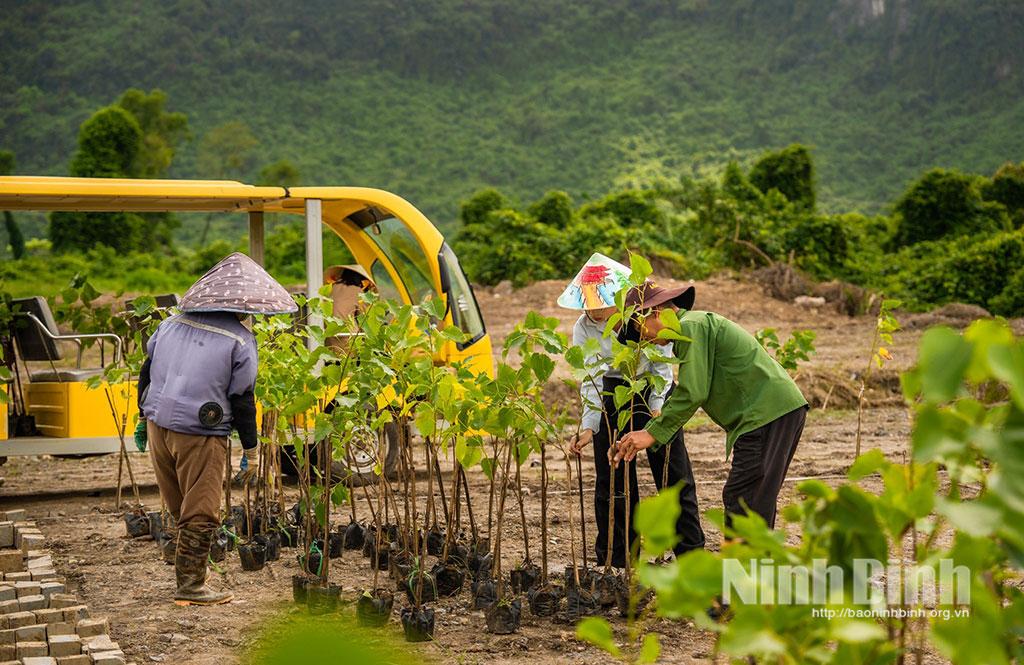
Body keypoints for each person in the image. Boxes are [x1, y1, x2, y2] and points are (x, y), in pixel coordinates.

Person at [136, 252, 297, 605]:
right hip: (200, 432)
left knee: (179, 501)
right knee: (202, 508)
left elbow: (146, 373)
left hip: (157, 425)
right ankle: (191, 586)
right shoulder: (239, 340)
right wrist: (251, 451)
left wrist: (140, 415)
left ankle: (185, 565)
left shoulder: (169, 324)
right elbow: (242, 399)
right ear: (246, 308)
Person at [613, 280, 808, 531]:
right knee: (755, 499)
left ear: (656, 313)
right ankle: (758, 567)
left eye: (640, 330)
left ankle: (744, 569)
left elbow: (693, 391)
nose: (644, 340)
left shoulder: (690, 327)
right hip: (774, 413)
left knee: (743, 500)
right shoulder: (694, 325)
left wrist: (651, 433)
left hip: (765, 415)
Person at [560, 254, 704, 568]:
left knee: (673, 475)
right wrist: (589, 424)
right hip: (614, 396)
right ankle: (618, 559)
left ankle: (691, 555)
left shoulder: (644, 316)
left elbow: (661, 363)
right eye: (586, 304)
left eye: (598, 303)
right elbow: (592, 378)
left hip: (654, 390)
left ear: (618, 298)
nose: (592, 311)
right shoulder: (583, 328)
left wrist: (656, 411)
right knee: (613, 479)